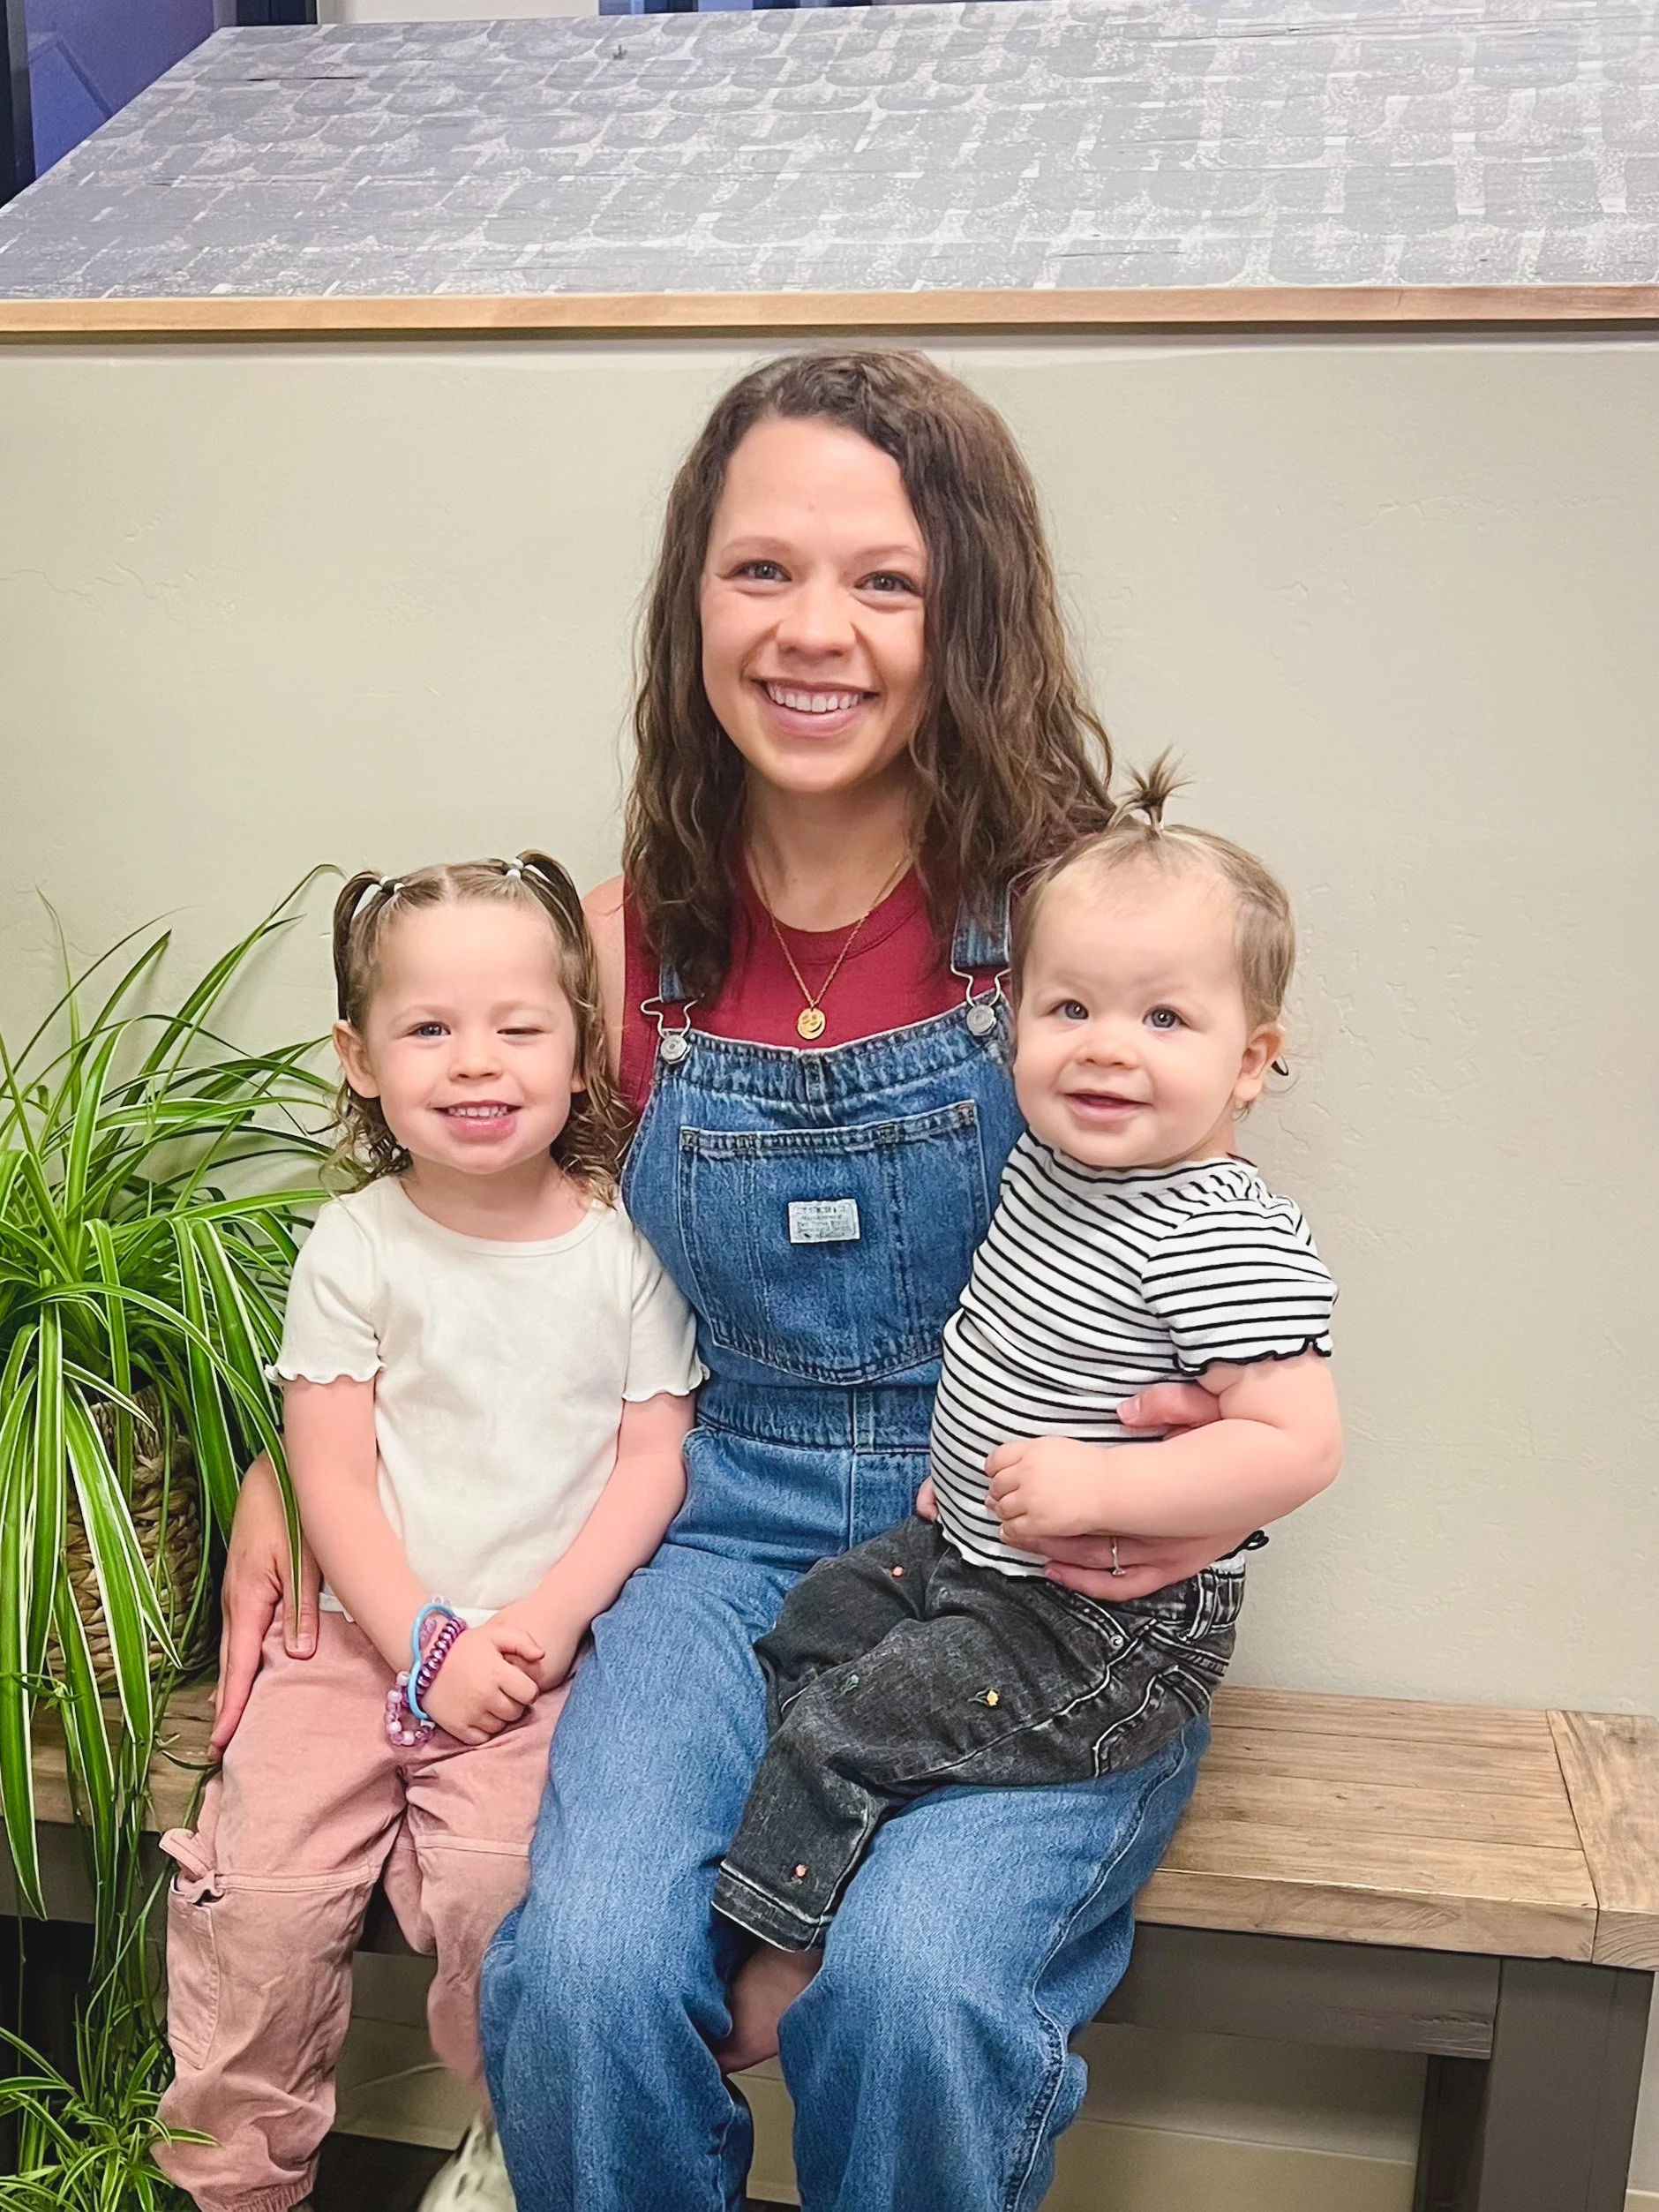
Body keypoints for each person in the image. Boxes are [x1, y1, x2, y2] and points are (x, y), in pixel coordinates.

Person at [210, 350, 1284, 2212]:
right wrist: (297, 1464)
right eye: (761, 568)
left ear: (968, 612)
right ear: (690, 598)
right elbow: (469, 1240)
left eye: (886, 581)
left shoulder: (1077, 922)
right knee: (581, 1968)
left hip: (1022, 1564)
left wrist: (1192, 1465)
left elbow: (1217, 1273)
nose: (814, 630)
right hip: (709, 1540)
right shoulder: (616, 944)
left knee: (911, 1993)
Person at [711, 763, 1342, 2056]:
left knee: (847, 1722)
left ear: (1250, 1063)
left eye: (1164, 1018)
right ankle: (847, 1831)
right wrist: (962, 1470)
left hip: (1097, 1628)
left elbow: (1298, 1442)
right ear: (1012, 1021)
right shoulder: (1052, 1164)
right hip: (972, 1552)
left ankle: (782, 1951)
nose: (1106, 1045)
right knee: (812, 1626)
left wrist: (1104, 1488)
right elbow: (1027, 1341)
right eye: (1070, 1007)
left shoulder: (1216, 1233)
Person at [156, 854, 702, 2212]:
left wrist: (545, 1625)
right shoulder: (357, 1245)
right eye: (428, 1028)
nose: (476, 1061)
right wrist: (421, 1642)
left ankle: (513, 2130)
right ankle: (234, 2177)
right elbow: (329, 1476)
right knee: (260, 1896)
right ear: (359, 1057)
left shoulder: (624, 1250)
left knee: (499, 1890)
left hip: (530, 1664)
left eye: (518, 1026)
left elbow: (654, 1458)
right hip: (353, 1640)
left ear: (580, 1047)